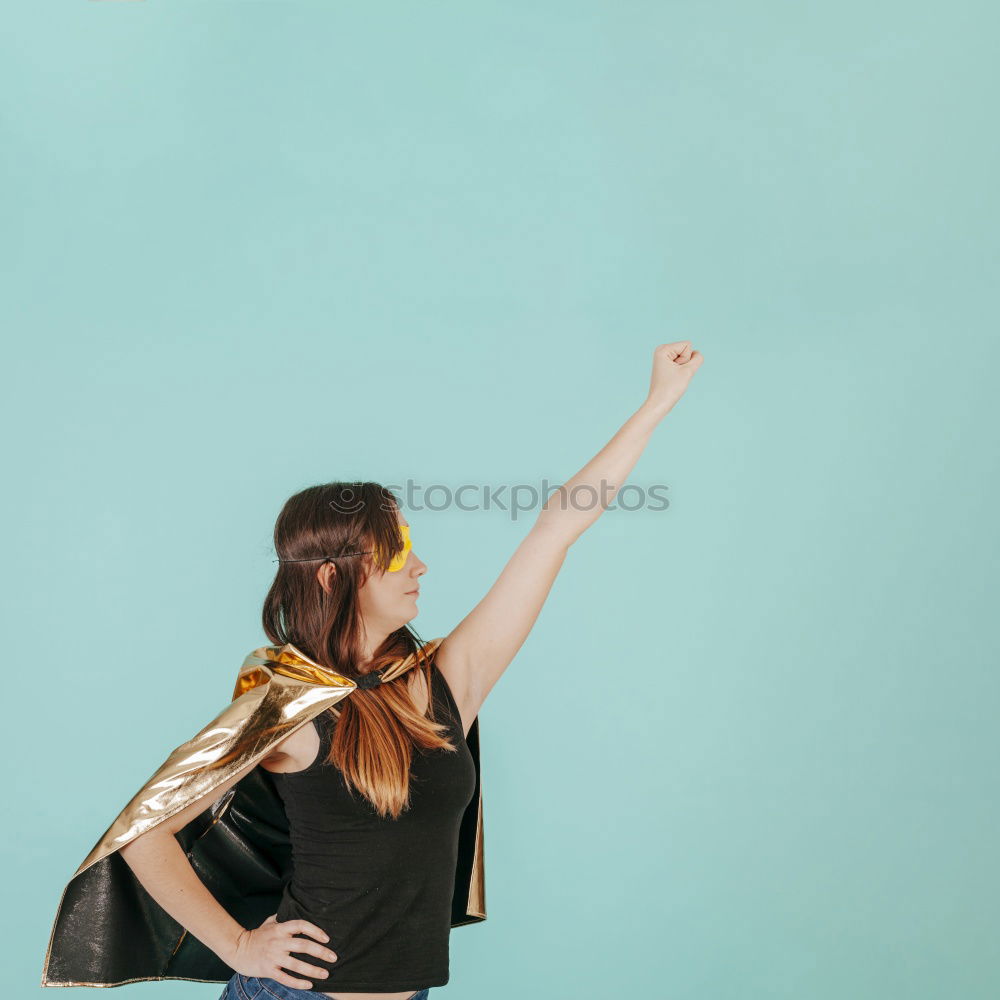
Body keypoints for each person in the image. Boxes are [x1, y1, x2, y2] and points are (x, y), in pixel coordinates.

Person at [102, 342, 703, 1000]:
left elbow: (554, 530)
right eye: (396, 551)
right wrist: (240, 944)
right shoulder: (285, 704)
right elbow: (143, 830)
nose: (417, 566)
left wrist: (657, 404)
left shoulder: (447, 679)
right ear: (335, 576)